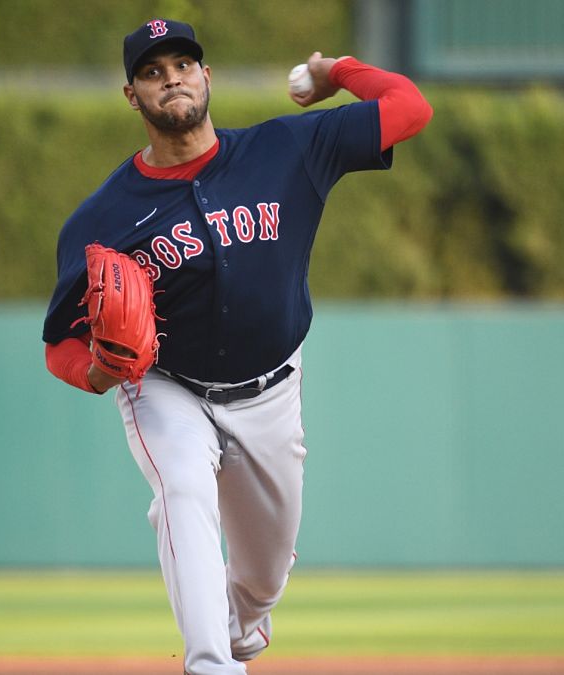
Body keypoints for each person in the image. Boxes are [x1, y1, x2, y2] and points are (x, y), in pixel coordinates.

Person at [43, 17, 432, 675]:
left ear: (206, 76)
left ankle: (240, 628)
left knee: (261, 579)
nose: (171, 78)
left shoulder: (286, 148)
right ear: (132, 96)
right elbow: (61, 344)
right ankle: (210, 664)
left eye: (182, 65)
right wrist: (100, 371)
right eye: (152, 71)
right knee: (184, 489)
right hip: (165, 383)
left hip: (271, 391)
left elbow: (409, 108)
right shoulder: (102, 216)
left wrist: (334, 70)